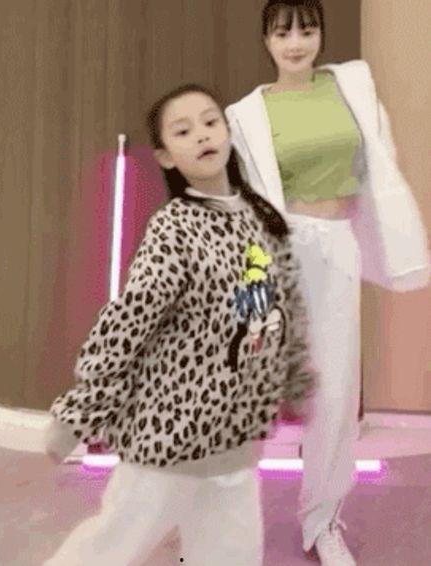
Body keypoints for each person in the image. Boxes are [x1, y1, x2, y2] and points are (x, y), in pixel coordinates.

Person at [42, 82, 318, 566]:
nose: (203, 135)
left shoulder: (263, 220)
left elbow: (285, 308)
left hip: (237, 435)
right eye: (184, 131)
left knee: (232, 554)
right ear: (166, 156)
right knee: (111, 544)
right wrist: (79, 411)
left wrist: (297, 381)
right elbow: (130, 319)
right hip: (172, 434)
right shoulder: (174, 227)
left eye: (211, 122)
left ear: (228, 132)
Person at [225, 1, 430, 565]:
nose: (296, 43)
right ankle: (216, 523)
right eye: (283, 32)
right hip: (280, 252)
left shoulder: (351, 88)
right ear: (267, 40)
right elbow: (245, 203)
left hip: (337, 244)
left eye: (307, 30)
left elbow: (379, 166)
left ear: (320, 35)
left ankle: (322, 522)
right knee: (245, 386)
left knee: (335, 393)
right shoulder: (246, 114)